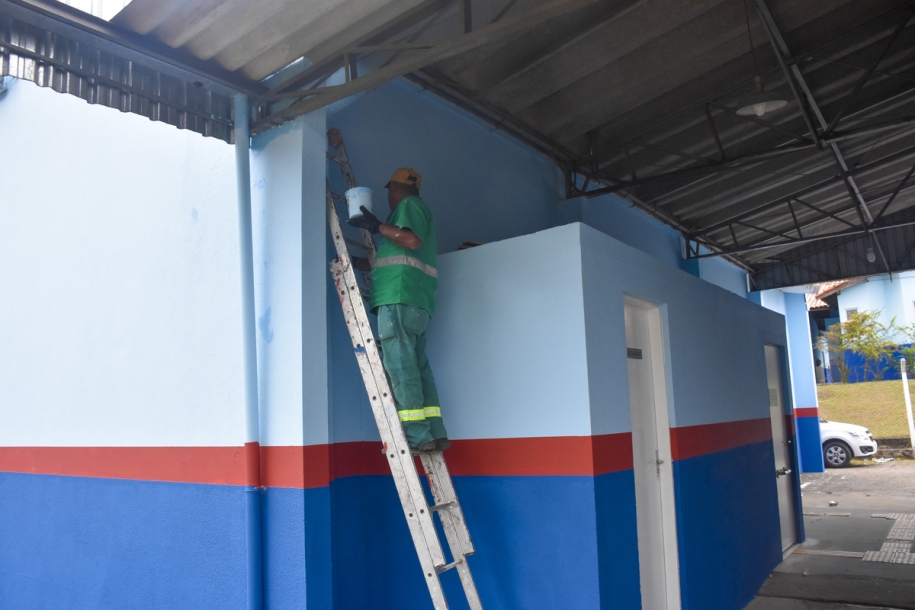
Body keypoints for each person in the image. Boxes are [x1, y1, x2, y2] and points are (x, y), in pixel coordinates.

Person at [349, 168, 449, 453]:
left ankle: (416, 436)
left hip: (398, 299)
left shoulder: (409, 207)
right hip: (416, 302)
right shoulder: (414, 213)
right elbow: (400, 256)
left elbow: (410, 240)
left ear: (394, 188)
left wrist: (376, 225)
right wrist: (361, 263)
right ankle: (435, 432)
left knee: (401, 366)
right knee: (418, 366)